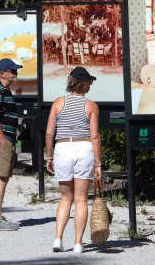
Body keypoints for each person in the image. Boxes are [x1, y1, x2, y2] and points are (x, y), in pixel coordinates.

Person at [45, 66, 102, 254]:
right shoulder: (91, 106)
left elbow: (49, 133)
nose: (90, 86)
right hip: (83, 148)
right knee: (81, 200)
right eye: (89, 82)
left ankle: (58, 239)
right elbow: (95, 136)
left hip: (62, 148)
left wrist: (49, 156)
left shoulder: (58, 103)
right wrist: (99, 163)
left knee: (65, 198)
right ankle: (78, 243)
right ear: (82, 84)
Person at [0, 58, 23, 231]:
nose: (15, 73)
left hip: (7, 138)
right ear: (2, 73)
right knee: (1, 178)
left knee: (4, 177)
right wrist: (3, 141)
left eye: (15, 70)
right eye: (12, 71)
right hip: (2, 140)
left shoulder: (5, 91)